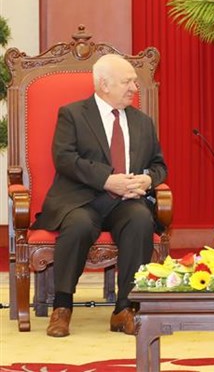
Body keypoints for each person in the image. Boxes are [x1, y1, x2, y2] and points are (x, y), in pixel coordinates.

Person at [32, 54, 168, 337]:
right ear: (104, 84)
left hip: (127, 201)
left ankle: (124, 309)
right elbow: (65, 159)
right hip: (82, 198)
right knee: (79, 225)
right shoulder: (73, 114)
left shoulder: (142, 121)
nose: (134, 87)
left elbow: (159, 166)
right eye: (127, 81)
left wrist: (147, 179)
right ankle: (62, 306)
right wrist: (107, 180)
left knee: (141, 219)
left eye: (134, 81)